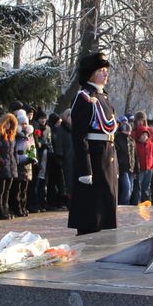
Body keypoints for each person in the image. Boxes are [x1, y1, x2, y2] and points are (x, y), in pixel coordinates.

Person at [67, 52, 118, 234]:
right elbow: (79, 136)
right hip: (94, 160)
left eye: (106, 70)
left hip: (106, 157)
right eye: (101, 70)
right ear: (91, 73)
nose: (105, 73)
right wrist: (85, 169)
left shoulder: (103, 96)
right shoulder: (84, 96)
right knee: (91, 215)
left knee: (104, 213)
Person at [0, 113, 18, 219]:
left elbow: (13, 152)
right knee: (0, 191)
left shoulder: (11, 136)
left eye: (10, 123)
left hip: (11, 166)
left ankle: (6, 210)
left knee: (7, 191)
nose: (8, 125)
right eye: (7, 123)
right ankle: (0, 211)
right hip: (2, 166)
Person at [115, 120, 135, 205]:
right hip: (122, 168)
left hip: (131, 167)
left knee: (130, 188)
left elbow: (134, 155)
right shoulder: (117, 139)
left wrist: (136, 169)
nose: (128, 132)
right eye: (126, 130)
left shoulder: (131, 140)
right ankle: (123, 204)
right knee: (127, 187)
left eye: (129, 131)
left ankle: (125, 203)